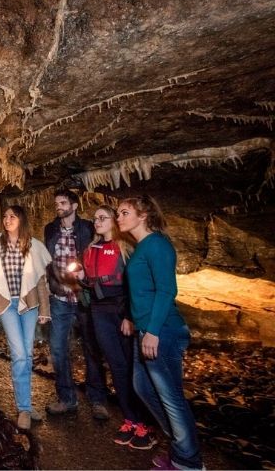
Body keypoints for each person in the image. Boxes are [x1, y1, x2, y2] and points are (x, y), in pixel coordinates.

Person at [117, 195, 203, 470]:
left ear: (143, 215)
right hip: (146, 329)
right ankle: (181, 447)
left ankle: (188, 461)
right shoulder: (140, 247)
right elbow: (142, 291)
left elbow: (167, 291)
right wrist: (131, 318)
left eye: (124, 212)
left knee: (171, 398)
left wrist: (152, 331)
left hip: (163, 331)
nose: (119, 217)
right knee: (142, 388)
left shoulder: (157, 246)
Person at [70, 205, 155, 449]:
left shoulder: (125, 247)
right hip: (99, 310)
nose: (96, 222)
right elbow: (89, 283)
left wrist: (129, 316)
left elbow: (133, 284)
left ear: (113, 222)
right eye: (95, 218)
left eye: (102, 218)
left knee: (132, 366)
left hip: (121, 309)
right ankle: (129, 419)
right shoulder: (89, 250)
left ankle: (144, 423)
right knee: (116, 365)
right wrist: (81, 280)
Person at [0, 204, 52, 430]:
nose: (7, 219)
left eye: (12, 216)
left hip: (28, 304)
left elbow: (40, 280)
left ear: (21, 220)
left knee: (28, 355)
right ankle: (23, 409)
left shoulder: (33, 245)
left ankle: (27, 406)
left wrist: (45, 310)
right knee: (20, 354)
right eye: (5, 216)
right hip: (6, 304)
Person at [43, 189, 109, 419]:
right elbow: (48, 262)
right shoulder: (50, 229)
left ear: (74, 205)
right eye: (56, 203)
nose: (58, 206)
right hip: (60, 297)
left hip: (84, 297)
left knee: (91, 348)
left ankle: (98, 400)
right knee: (59, 349)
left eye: (62, 202)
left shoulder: (88, 228)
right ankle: (66, 398)